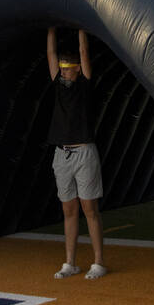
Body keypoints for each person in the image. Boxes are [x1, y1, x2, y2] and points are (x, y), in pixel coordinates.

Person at [46, 27, 107, 281]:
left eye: (68, 68)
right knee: (68, 210)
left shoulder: (84, 85)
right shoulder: (58, 87)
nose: (63, 71)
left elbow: (84, 51)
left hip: (84, 153)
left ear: (78, 70)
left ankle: (98, 262)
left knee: (89, 208)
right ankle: (69, 262)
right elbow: (50, 53)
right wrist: (51, 28)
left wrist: (82, 27)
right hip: (62, 154)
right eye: (61, 68)